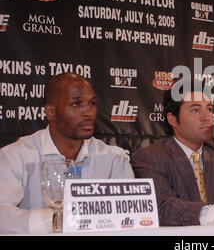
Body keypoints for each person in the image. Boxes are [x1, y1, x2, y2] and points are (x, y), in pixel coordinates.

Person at [0, 72, 134, 234]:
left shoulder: (114, 160)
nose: (88, 112)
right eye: (76, 104)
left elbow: (129, 216)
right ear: (50, 112)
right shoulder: (16, 156)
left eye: (92, 103)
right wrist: (59, 221)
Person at [131, 81, 214, 226]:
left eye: (209, 109)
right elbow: (161, 208)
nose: (207, 117)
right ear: (172, 119)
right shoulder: (150, 157)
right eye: (195, 110)